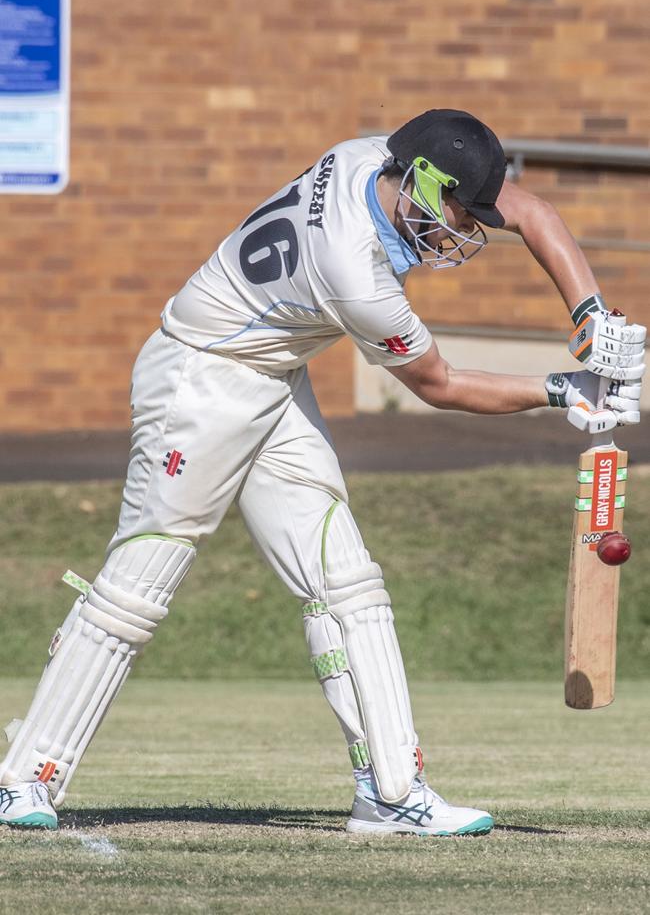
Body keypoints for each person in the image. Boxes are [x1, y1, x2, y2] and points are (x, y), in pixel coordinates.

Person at [0, 109, 645, 835]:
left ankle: (393, 793)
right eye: (462, 212)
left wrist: (590, 315)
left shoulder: (376, 156)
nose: (466, 230)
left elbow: (527, 210)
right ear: (424, 185)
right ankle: (22, 778)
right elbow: (440, 384)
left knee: (348, 584)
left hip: (273, 377)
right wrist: (561, 390)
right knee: (138, 587)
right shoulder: (353, 269)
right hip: (200, 380)